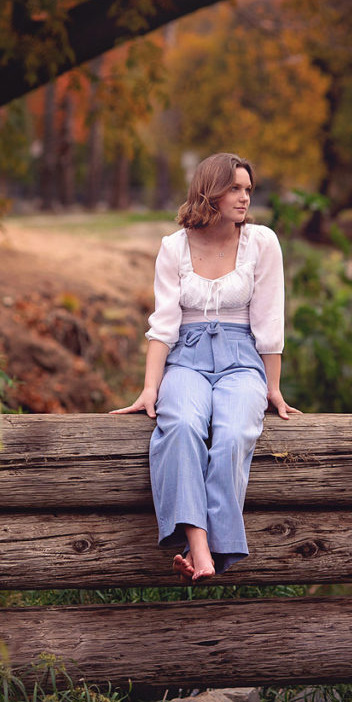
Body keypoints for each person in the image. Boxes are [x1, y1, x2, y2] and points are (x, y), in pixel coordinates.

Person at [111, 152, 299, 582]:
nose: (244, 197)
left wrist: (273, 387)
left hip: (240, 361)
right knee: (179, 427)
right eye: (234, 187)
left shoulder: (263, 242)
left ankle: (211, 552)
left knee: (233, 434)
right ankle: (201, 549)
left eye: (248, 189)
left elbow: (270, 322)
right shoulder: (172, 247)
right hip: (187, 360)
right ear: (209, 190)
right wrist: (149, 389)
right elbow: (162, 326)